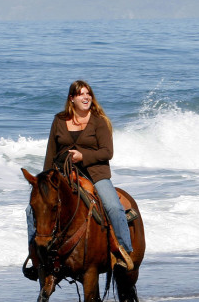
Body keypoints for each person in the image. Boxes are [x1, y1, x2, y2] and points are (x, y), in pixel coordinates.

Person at [23, 80, 133, 279]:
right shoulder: (59, 120)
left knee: (113, 206)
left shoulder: (99, 120)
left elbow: (107, 152)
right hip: (62, 175)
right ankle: (36, 257)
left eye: (88, 93)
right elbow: (51, 152)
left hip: (95, 173)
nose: (86, 97)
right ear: (71, 99)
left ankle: (124, 252)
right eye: (81, 94)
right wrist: (46, 181)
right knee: (32, 210)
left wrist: (83, 157)